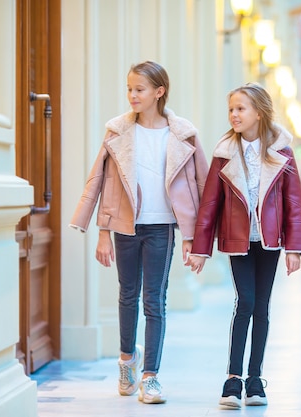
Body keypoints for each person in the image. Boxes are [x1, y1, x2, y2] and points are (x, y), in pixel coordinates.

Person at [69, 61, 209, 404]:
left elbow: (200, 184)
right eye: (129, 89)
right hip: (125, 225)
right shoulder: (117, 130)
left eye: (139, 89)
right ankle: (127, 359)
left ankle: (151, 376)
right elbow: (100, 180)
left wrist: (196, 237)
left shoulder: (182, 133)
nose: (132, 95)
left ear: (159, 92)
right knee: (127, 294)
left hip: (162, 226)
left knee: (155, 301)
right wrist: (102, 230)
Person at [184, 83, 301, 409]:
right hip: (238, 240)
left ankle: (255, 379)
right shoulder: (224, 153)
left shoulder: (282, 152)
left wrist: (294, 247)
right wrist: (200, 248)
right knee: (246, 302)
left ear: (260, 112)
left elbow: (294, 203)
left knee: (262, 307)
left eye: (241, 109)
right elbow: (210, 203)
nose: (234, 115)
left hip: (270, 241)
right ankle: (232, 379)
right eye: (231, 109)